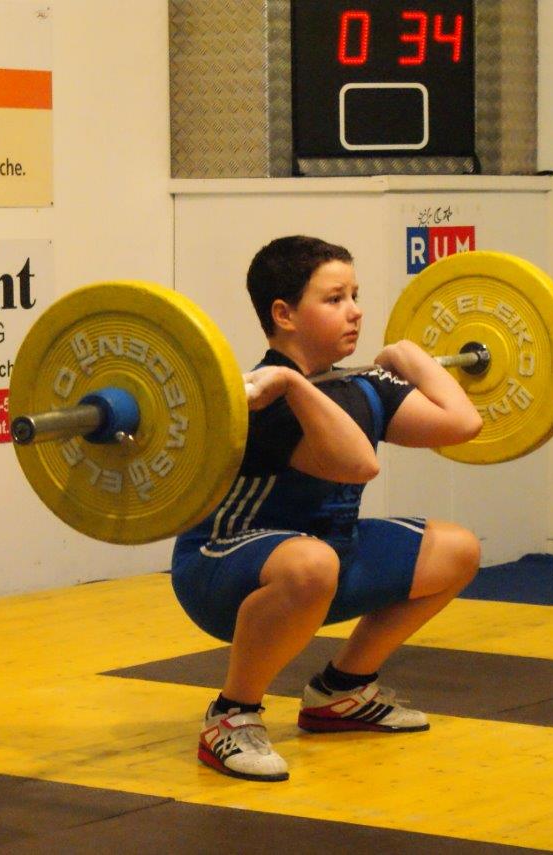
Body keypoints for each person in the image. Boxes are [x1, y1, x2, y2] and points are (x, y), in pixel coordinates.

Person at [170, 235, 483, 782]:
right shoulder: (262, 400)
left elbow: (462, 424)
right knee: (312, 563)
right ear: (284, 314)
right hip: (222, 571)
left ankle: (342, 691)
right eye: (335, 299)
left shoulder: (362, 384)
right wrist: (292, 382)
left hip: (328, 559)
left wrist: (409, 357)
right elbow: (358, 464)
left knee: (458, 550)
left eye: (355, 296)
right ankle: (231, 714)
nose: (355, 311)